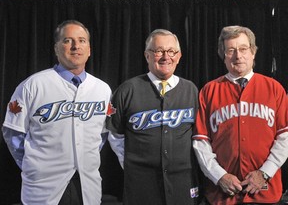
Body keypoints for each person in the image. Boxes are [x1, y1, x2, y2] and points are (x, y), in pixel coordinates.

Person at [2, 20, 112, 205]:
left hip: (86, 184)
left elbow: (101, 135)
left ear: (89, 49)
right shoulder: (33, 85)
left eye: (82, 40)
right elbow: (13, 132)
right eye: (68, 40)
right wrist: (33, 166)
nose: (76, 46)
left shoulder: (102, 89)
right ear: (56, 48)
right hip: (44, 185)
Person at [192, 25, 288, 204]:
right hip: (221, 193)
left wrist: (264, 172)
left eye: (243, 49)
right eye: (231, 50)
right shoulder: (209, 91)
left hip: (265, 191)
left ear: (253, 52)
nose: (238, 56)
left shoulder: (274, 88)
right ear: (223, 56)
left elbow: (285, 137)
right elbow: (200, 141)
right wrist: (219, 176)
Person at [106, 29, 201, 205]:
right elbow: (114, 134)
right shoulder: (127, 90)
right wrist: (131, 163)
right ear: (147, 55)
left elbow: (199, 135)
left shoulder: (191, 90)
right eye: (158, 51)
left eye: (171, 51)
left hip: (182, 181)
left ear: (179, 56)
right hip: (140, 185)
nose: (166, 57)